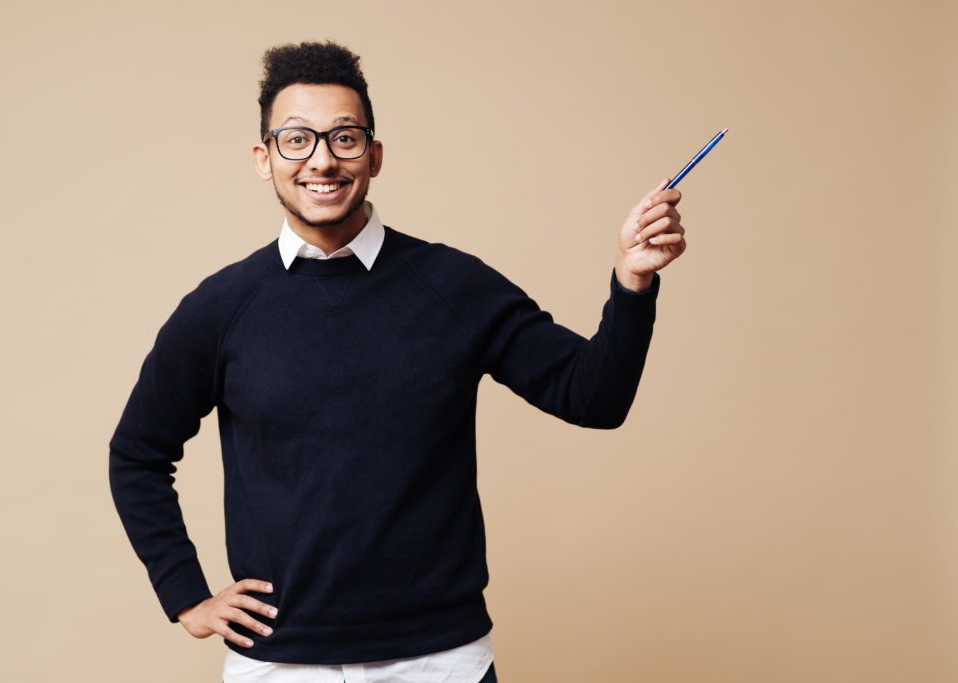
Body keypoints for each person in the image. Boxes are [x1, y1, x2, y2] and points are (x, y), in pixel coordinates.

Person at [108, 40, 686, 683]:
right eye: (296, 139)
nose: (322, 160)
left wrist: (631, 282)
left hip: (441, 662)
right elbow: (137, 453)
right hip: (280, 664)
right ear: (263, 159)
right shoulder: (221, 309)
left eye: (345, 138)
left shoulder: (453, 287)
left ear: (374, 156)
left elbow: (594, 398)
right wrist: (185, 595)